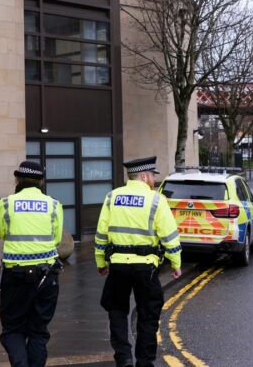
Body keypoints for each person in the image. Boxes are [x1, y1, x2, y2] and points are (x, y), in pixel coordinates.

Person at [94, 156, 182, 367]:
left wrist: (100, 261)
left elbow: (101, 234)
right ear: (143, 176)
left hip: (118, 266)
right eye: (152, 175)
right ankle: (144, 361)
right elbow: (169, 235)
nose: (153, 179)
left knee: (116, 311)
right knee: (148, 314)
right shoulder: (156, 199)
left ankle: (123, 357)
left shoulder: (112, 197)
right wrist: (176, 262)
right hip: (146, 267)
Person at [0, 161, 64, 367]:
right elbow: (57, 238)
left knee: (13, 330)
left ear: (17, 180)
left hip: (14, 276)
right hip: (46, 276)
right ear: (41, 181)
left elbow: (0, 232)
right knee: (38, 331)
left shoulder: (6, 204)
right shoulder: (53, 204)